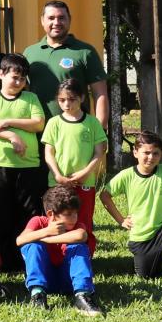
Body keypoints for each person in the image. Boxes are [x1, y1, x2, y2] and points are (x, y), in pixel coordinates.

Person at [101, 131, 162, 295]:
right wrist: (120, 220)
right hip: (142, 237)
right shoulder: (126, 176)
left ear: (161, 155)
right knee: (147, 275)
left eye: (156, 153)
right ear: (135, 152)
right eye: (146, 152)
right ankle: (153, 260)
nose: (151, 157)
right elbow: (104, 195)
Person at [0, 54, 47, 268]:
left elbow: (38, 123)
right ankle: (3, 261)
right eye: (14, 77)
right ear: (1, 74)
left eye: (22, 79)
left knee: (28, 213)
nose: (18, 82)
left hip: (28, 165)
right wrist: (13, 136)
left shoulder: (31, 98)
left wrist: (6, 121)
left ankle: (28, 260)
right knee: (0, 214)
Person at [22, 0, 109, 126]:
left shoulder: (85, 52)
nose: (56, 22)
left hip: (76, 131)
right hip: (37, 132)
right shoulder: (30, 53)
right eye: (51, 18)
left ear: (69, 20)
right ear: (42, 21)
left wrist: (100, 131)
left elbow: (100, 94)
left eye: (61, 18)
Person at [19, 185, 102, 315]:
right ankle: (38, 295)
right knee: (33, 246)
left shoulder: (77, 225)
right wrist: (46, 231)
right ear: (51, 214)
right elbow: (20, 240)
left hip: (69, 280)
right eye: (68, 214)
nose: (74, 218)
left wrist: (44, 239)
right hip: (45, 278)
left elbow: (81, 235)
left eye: (75, 213)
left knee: (79, 246)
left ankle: (82, 295)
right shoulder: (38, 222)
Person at [40, 78, 107, 233]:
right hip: (58, 183)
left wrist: (85, 173)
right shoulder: (54, 123)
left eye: (71, 99)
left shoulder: (92, 123)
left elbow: (99, 152)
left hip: (85, 182)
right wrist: (58, 176)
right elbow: (49, 153)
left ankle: (83, 254)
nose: (66, 104)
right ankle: (58, 254)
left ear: (82, 98)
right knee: (58, 220)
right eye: (62, 100)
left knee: (83, 220)